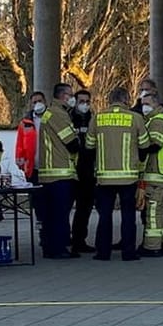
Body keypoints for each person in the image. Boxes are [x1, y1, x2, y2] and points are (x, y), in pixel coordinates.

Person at [86, 87, 147, 261]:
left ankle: (103, 253)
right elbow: (144, 145)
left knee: (104, 215)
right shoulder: (135, 118)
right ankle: (129, 252)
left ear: (109, 100)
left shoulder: (97, 118)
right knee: (128, 216)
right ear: (127, 100)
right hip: (128, 177)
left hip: (104, 178)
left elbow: (89, 146)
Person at [35, 83, 82, 260]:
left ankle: (49, 246)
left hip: (48, 173)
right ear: (63, 96)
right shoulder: (58, 114)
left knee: (49, 215)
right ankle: (59, 248)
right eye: (70, 95)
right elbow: (72, 142)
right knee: (60, 214)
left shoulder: (50, 113)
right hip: (60, 173)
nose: (73, 98)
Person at [138, 90, 163, 258]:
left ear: (156, 104)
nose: (143, 108)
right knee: (159, 211)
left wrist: (139, 148)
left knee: (151, 210)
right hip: (161, 172)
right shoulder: (159, 118)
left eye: (147, 104)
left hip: (154, 172)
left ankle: (152, 246)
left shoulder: (157, 120)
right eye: (142, 104)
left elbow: (155, 144)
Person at [70, 89, 97, 253]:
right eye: (81, 101)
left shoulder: (92, 119)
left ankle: (79, 240)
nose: (85, 105)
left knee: (84, 207)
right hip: (71, 169)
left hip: (87, 169)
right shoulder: (68, 118)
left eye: (87, 101)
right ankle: (64, 238)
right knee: (65, 208)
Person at [15, 91, 46, 181]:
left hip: (49, 168)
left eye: (40, 101)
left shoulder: (52, 118)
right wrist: (19, 160)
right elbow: (20, 143)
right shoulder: (25, 122)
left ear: (45, 102)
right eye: (35, 102)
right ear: (31, 105)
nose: (38, 104)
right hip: (32, 167)